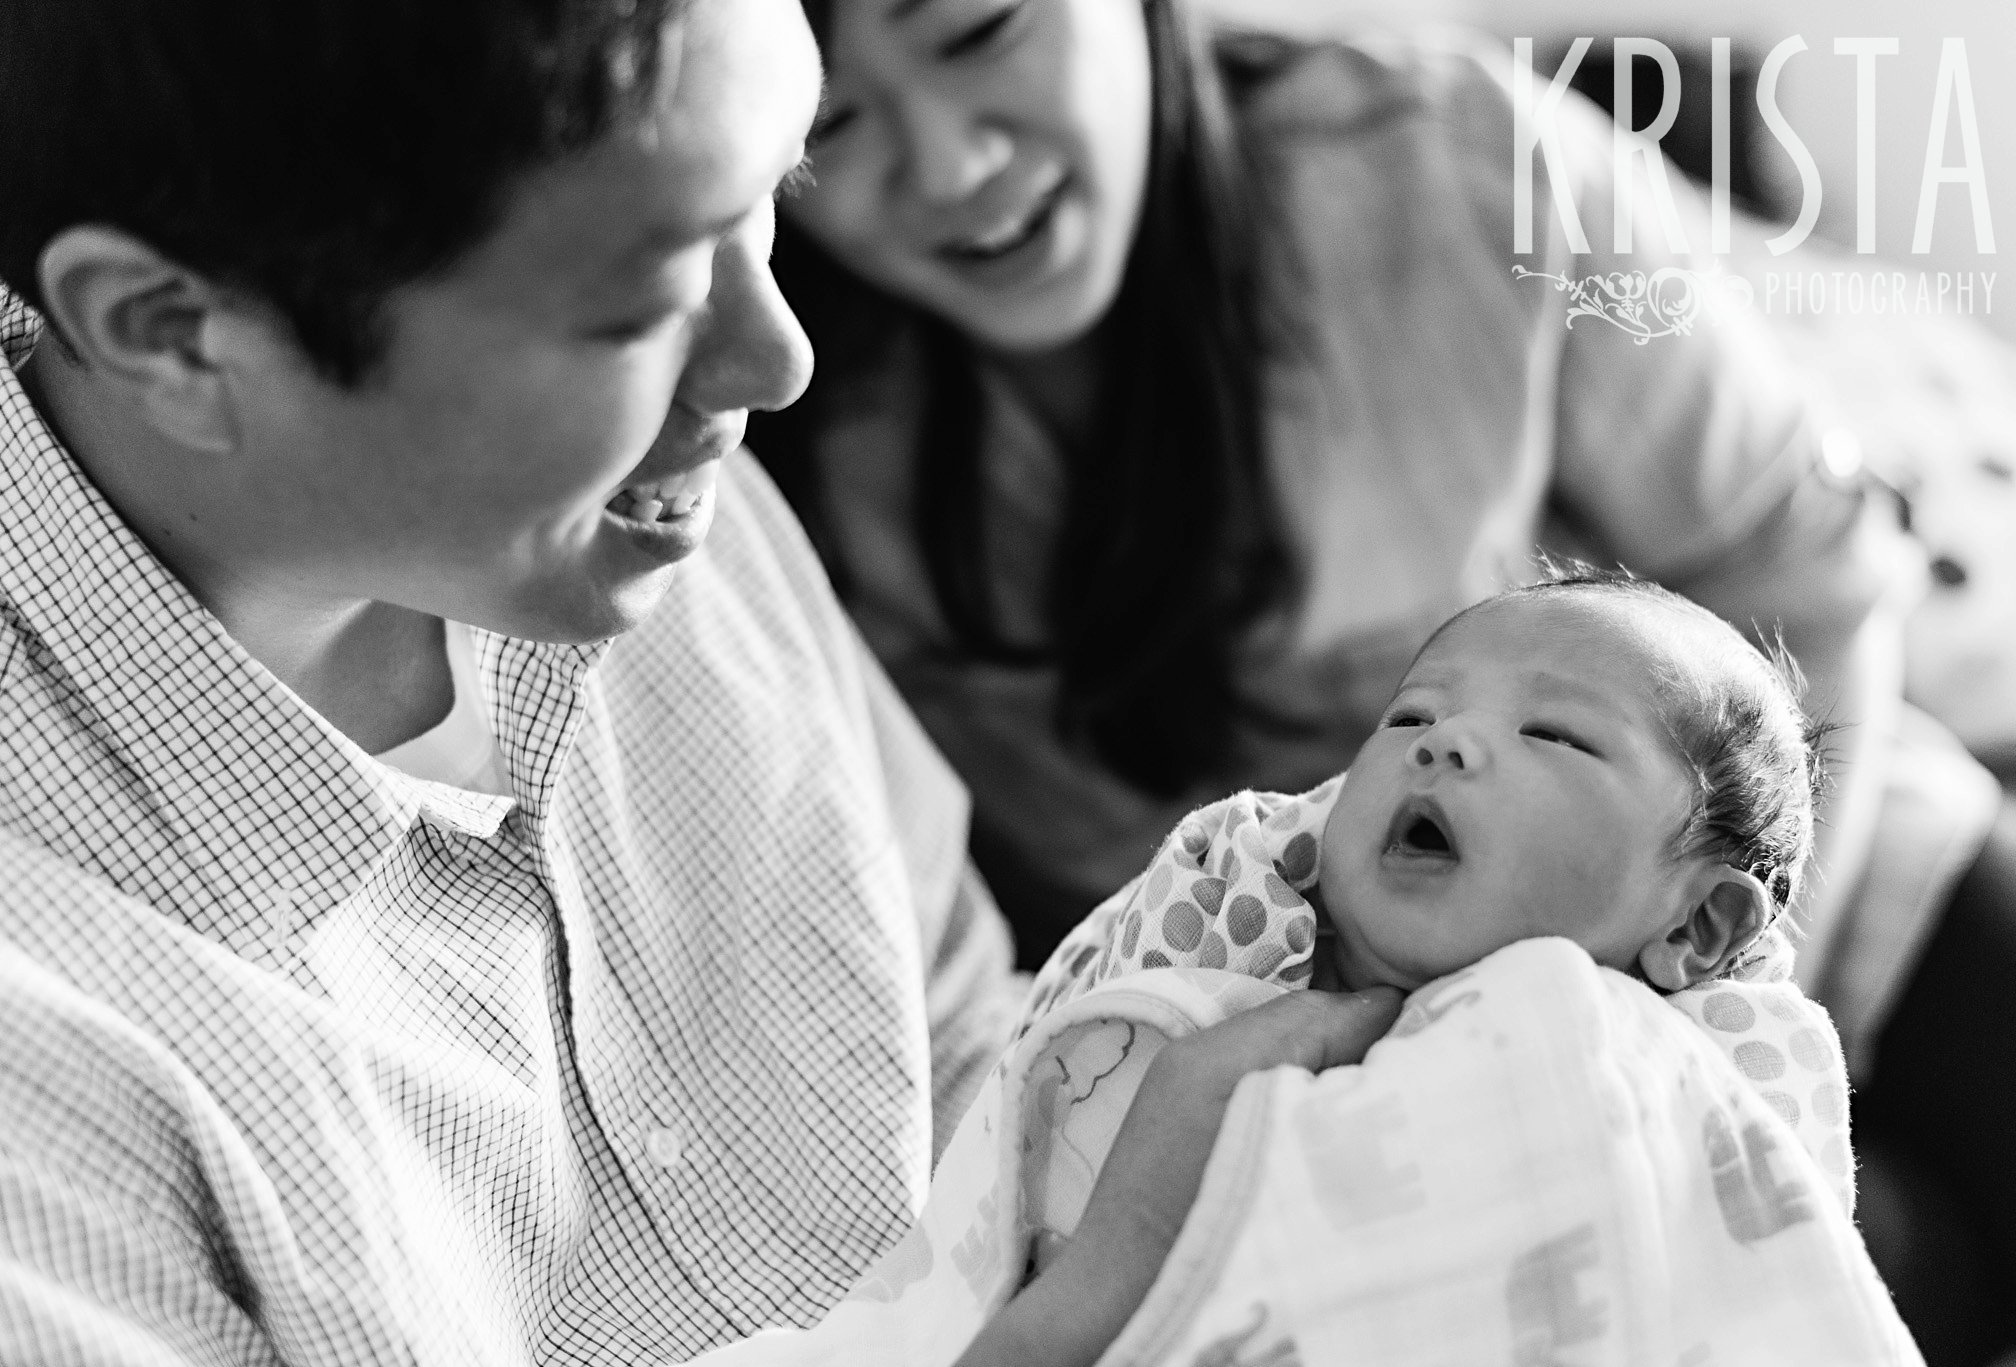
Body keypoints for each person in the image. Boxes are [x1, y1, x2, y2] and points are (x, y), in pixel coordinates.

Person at [0, 3, 1409, 1365]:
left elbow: (979, 1039)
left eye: (775, 192)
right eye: (646, 301)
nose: (772, 360)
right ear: (172, 332)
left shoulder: (629, 509)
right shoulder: (21, 1062)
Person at [748, 1, 2014, 1356]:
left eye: (980, 31)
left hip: (1815, 889)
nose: (950, 164)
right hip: (1358, 1091)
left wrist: (1724, 1026)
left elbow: (1808, 575)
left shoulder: (1453, 154)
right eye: (831, 121)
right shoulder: (768, 419)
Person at [1029, 571, 1826, 1015]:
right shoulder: (1226, 981)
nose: (1442, 740)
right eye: (1411, 714)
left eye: (1553, 734)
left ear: (1697, 924)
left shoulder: (1678, 1097)